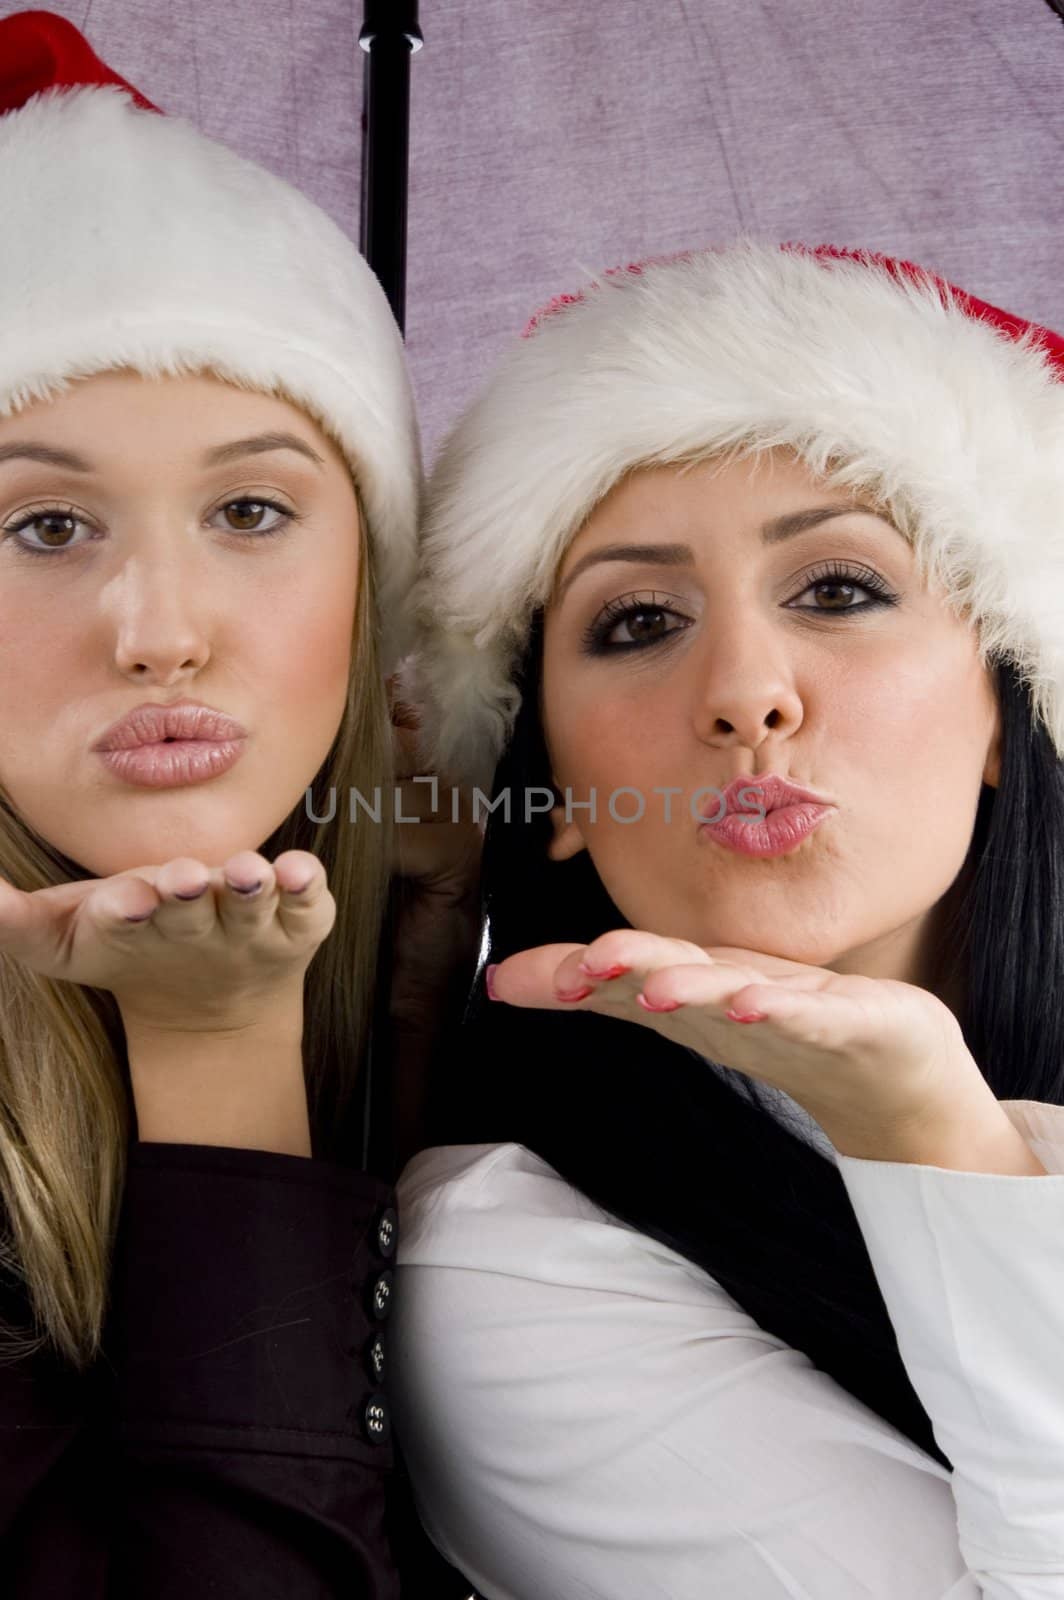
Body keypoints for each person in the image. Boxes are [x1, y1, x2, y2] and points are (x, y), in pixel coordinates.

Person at [390, 242, 1064, 1598]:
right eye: (637, 621)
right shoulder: (503, 1257)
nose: (747, 691)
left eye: (838, 590)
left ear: (1006, 712)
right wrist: (924, 1138)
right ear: (559, 789)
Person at [0, 11, 452, 1595]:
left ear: (370, 585)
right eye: (43, 525)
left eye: (252, 507)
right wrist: (214, 1043)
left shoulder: (481, 983)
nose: (160, 629)